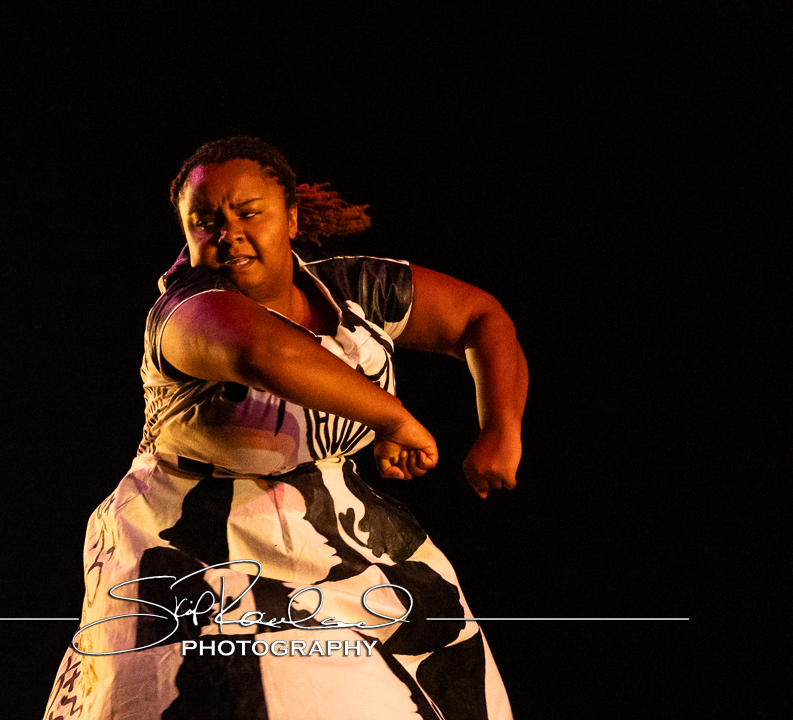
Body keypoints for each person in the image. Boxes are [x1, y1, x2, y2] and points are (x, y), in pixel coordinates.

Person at [43, 137, 528, 720]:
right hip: (201, 551)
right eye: (205, 222)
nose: (229, 234)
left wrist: (501, 429)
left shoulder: (352, 290)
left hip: (340, 537)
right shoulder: (188, 310)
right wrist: (393, 418)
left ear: (292, 218)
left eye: (249, 213)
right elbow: (265, 353)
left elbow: (481, 316)